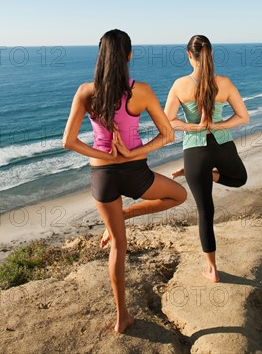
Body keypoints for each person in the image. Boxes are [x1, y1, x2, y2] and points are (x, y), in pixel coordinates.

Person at [63, 29, 187, 333]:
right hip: (134, 172)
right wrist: (131, 152)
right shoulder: (140, 91)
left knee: (118, 243)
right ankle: (128, 213)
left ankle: (121, 317)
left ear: (100, 56)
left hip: (102, 175)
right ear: (128, 55)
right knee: (179, 195)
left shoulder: (85, 92)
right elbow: (168, 134)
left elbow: (69, 141)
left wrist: (105, 156)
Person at [164, 34, 249, 283]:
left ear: (189, 55)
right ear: (210, 54)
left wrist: (195, 127)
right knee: (240, 178)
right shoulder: (224, 82)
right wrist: (217, 123)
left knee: (205, 211)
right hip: (223, 145)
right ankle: (201, 174)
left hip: (195, 151)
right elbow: (243, 117)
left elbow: (168, 122)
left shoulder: (180, 84)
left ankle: (212, 269)